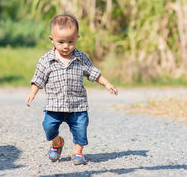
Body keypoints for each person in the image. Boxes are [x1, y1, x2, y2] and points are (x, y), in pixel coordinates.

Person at [25, 14, 118, 165]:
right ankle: (57, 142)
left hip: (78, 105)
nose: (66, 46)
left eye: (71, 41)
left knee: (80, 129)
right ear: (52, 39)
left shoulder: (81, 58)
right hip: (54, 105)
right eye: (60, 42)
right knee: (48, 127)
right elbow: (38, 79)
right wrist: (32, 93)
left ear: (77, 38)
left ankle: (77, 152)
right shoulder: (46, 60)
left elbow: (94, 73)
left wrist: (107, 84)